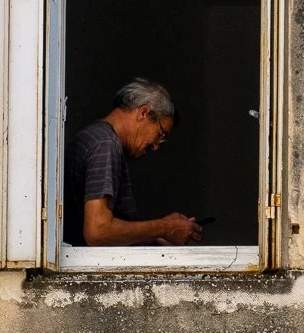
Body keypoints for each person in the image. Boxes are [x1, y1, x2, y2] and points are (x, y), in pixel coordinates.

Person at [64, 78, 202, 247]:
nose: (156, 146)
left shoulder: (96, 137)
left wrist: (156, 235)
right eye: (161, 134)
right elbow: (98, 231)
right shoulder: (105, 144)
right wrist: (164, 228)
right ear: (143, 113)